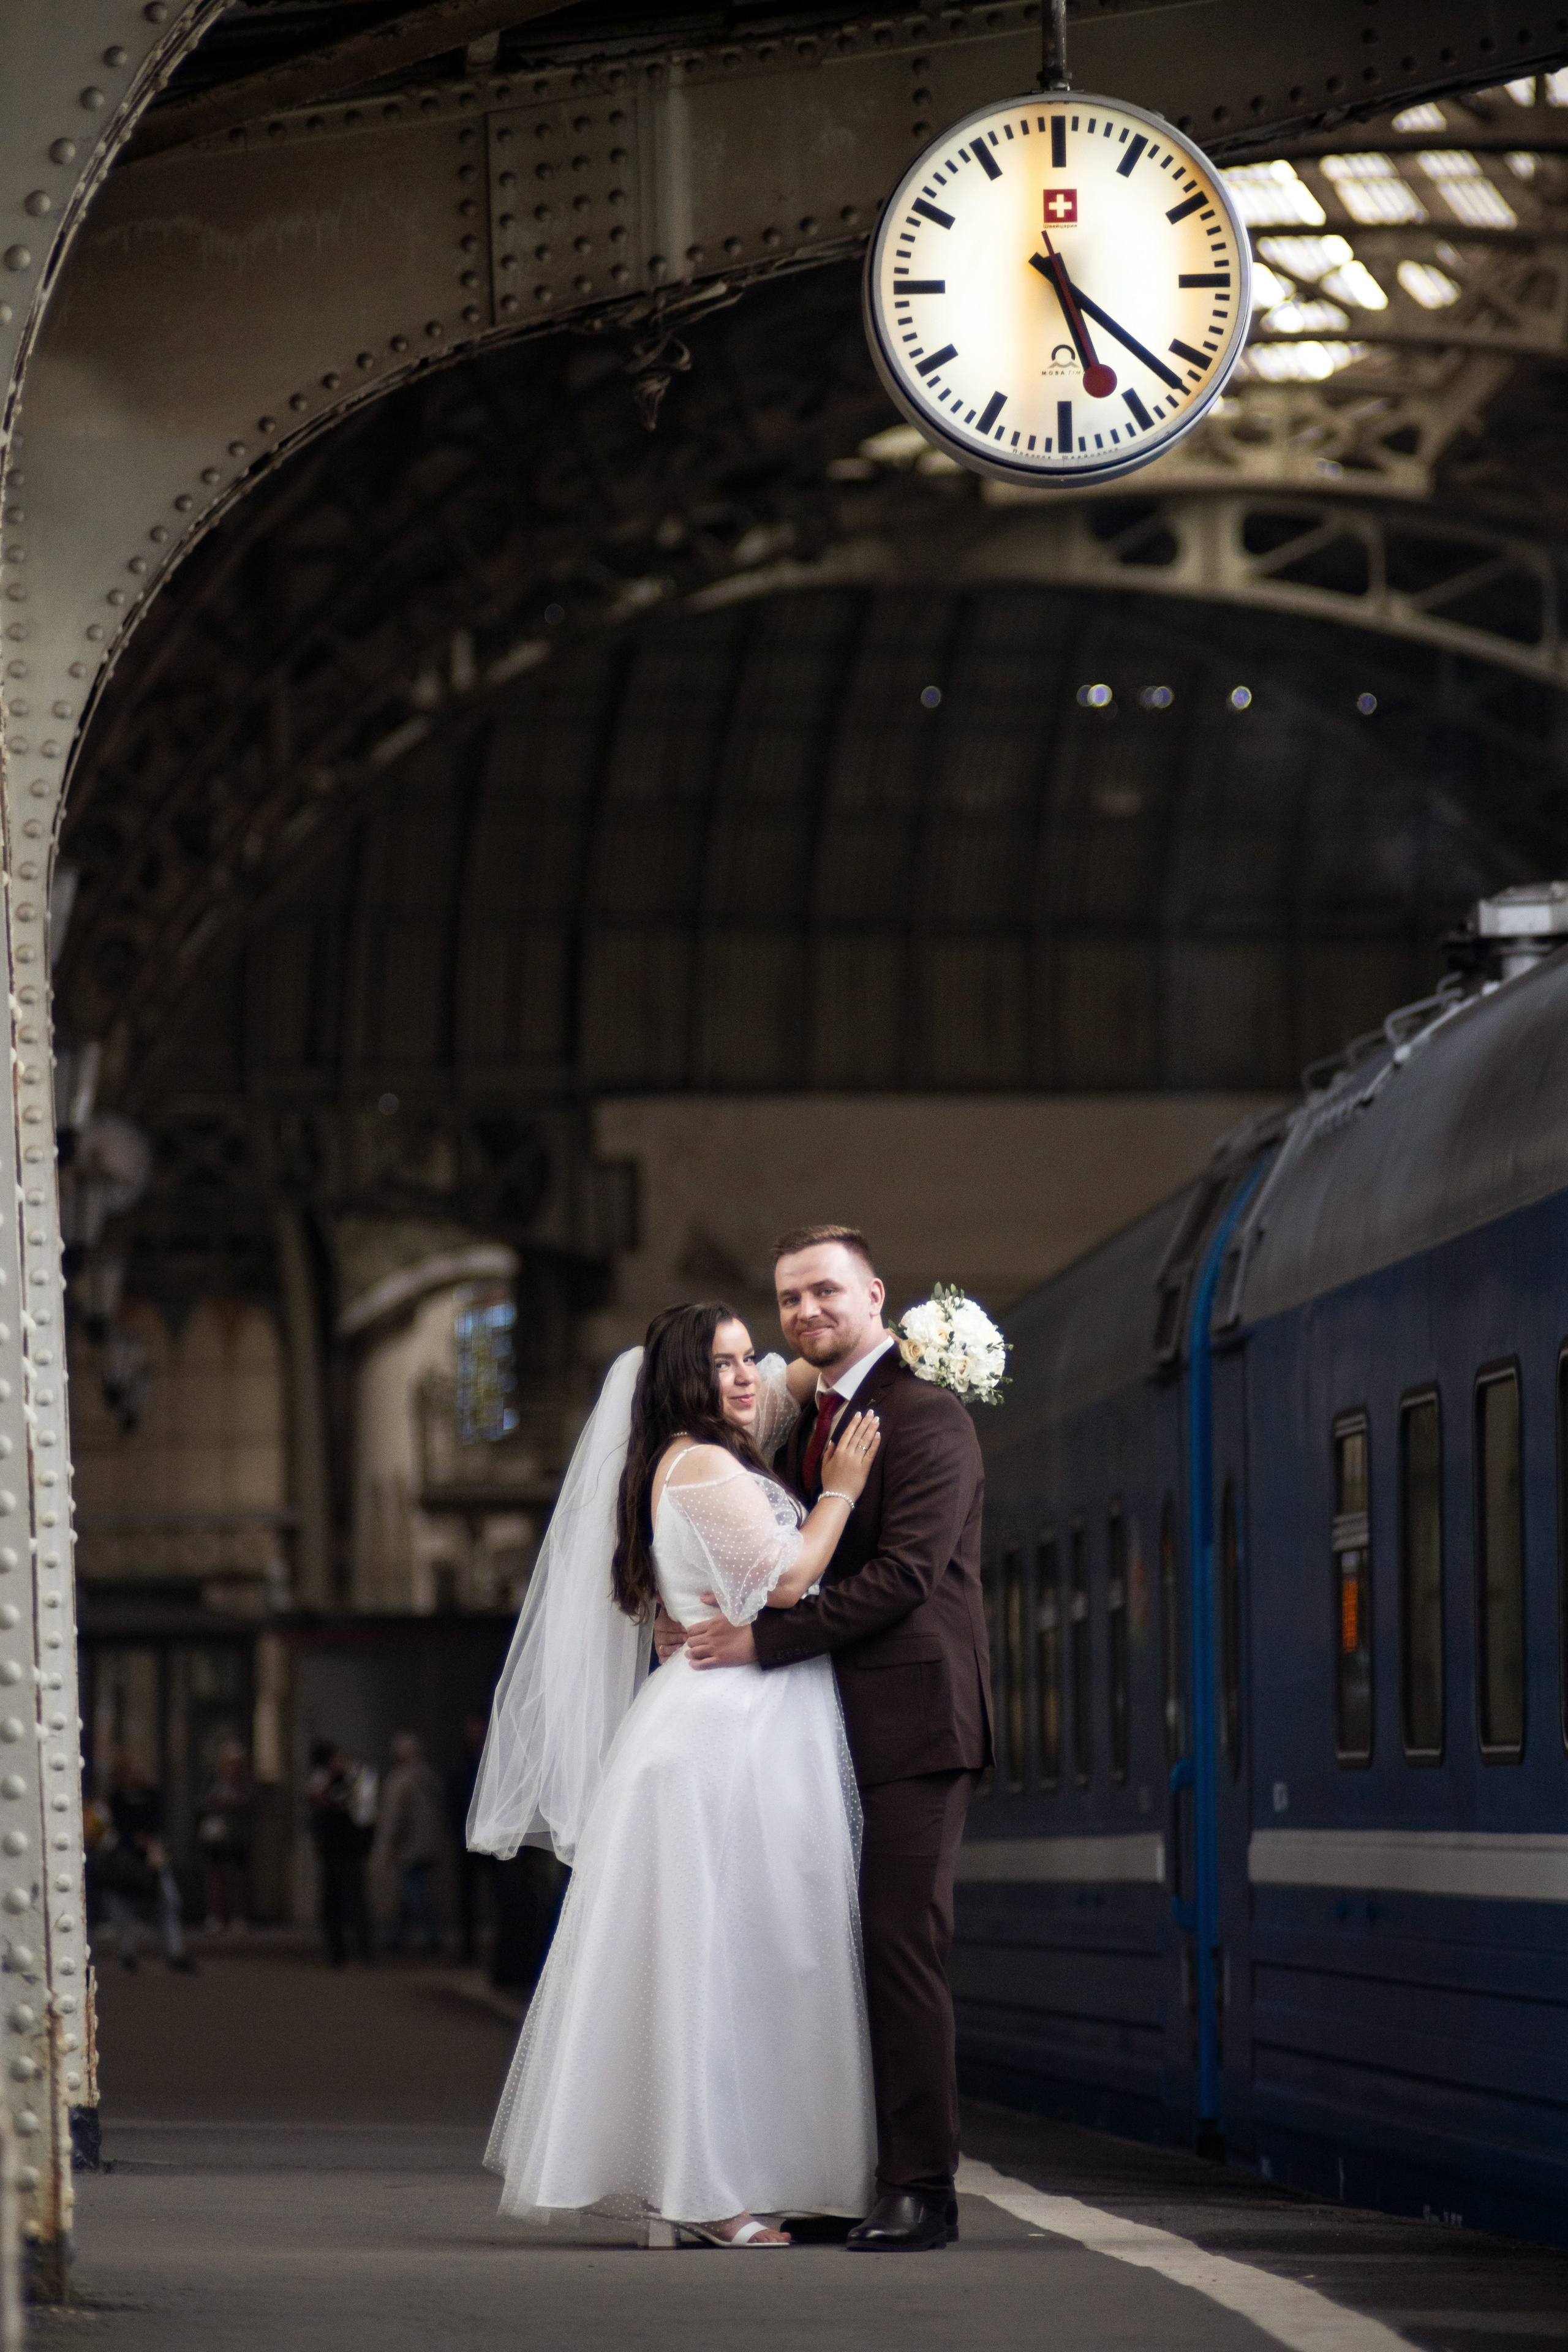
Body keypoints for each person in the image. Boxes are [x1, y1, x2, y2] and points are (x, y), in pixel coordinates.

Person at [469, 1304, 883, 2245]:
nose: (746, 1377)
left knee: (746, 1959)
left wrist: (874, 1328)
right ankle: (707, 2195)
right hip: (723, 1739)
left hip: (740, 1726)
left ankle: (709, 2187)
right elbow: (783, 1581)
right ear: (680, 1382)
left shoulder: (713, 1445)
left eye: (746, 1358)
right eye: (724, 1364)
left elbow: (801, 1376)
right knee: (719, 1965)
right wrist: (843, 1489)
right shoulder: (700, 1463)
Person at [669, 1227, 991, 2253]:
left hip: (914, 1724)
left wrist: (762, 1640)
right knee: (826, 1952)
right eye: (790, 1297)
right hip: (829, 1728)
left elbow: (904, 1579)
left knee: (900, 1947)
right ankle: (839, 2173)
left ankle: (923, 2190)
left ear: (876, 1296)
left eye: (826, 1292)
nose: (805, 1311)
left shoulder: (926, 1416)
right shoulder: (810, 1420)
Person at [101, 1754, 197, 1975]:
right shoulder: (117, 1797)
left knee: (168, 1901)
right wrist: (133, 1839)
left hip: (153, 1856)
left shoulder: (151, 1795)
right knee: (121, 1907)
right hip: (126, 1859)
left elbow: (158, 1821)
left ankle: (175, 1952)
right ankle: (127, 1953)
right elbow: (116, 1826)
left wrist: (151, 1840)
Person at [304, 1740, 376, 1968]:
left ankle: (364, 1952)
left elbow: (362, 1813)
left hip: (351, 1850)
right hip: (330, 1850)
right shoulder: (325, 1778)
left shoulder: (359, 1777)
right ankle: (337, 1953)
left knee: (355, 1901)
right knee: (331, 1904)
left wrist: (329, 1799)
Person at [374, 1730, 446, 1956]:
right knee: (410, 1890)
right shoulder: (431, 1777)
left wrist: (386, 1849)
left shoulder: (400, 1781)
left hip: (409, 1846)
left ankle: (432, 1935)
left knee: (413, 1890)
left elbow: (394, 1819)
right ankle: (397, 1935)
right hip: (429, 1843)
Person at [448, 1713, 496, 1969]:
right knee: (467, 1898)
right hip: (468, 1841)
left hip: (490, 1841)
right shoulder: (463, 1766)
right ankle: (468, 1949)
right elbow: (454, 1802)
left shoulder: (494, 1764)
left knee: (494, 1897)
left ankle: (495, 1949)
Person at [197, 1740, 252, 1932]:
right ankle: (215, 1917)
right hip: (217, 1836)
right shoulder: (213, 1780)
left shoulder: (245, 1782)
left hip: (237, 1835)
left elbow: (249, 1803)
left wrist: (233, 1803)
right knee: (215, 1876)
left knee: (236, 1876)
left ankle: (237, 1917)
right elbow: (203, 1801)